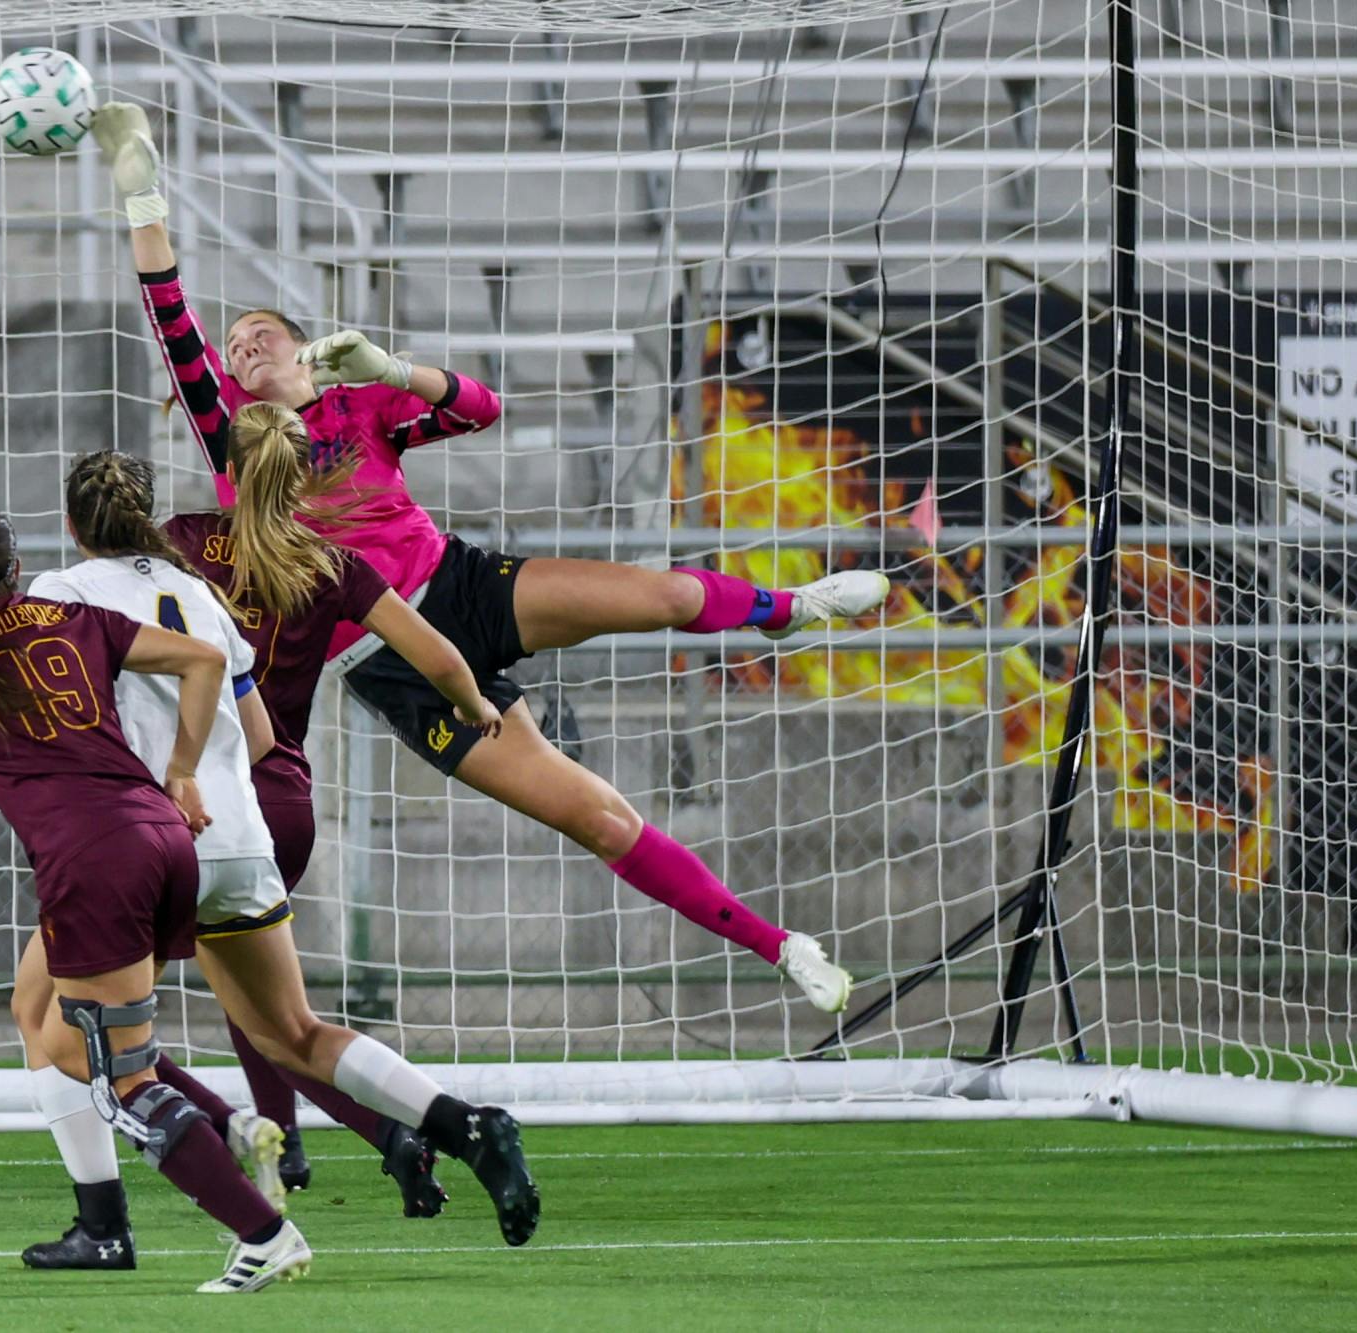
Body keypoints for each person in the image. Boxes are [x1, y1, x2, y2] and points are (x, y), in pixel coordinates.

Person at [90, 101, 874, 1014]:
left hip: (458, 585)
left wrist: (394, 369)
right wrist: (143, 195)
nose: (241, 343)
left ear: (302, 346)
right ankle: (784, 948)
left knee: (662, 595)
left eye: (259, 330)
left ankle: (793, 610)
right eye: (233, 346)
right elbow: (170, 315)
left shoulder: (361, 401)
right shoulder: (233, 431)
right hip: (389, 659)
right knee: (598, 816)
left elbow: (481, 409)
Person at [0, 463, 540, 1258]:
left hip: (142, 841)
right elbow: (263, 734)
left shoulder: (61, 594)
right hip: (240, 831)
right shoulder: (198, 590)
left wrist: (117, 770)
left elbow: (60, 727)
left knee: (55, 1031)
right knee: (295, 1032)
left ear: (71, 527)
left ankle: (153, 1191)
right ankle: (466, 1123)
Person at [0, 505, 308, 1294]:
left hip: (95, 860)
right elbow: (205, 659)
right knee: (50, 1024)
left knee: (110, 1069)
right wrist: (181, 771)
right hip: (164, 836)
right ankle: (155, 1186)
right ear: (17, 569)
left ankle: (263, 1230)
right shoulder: (73, 618)